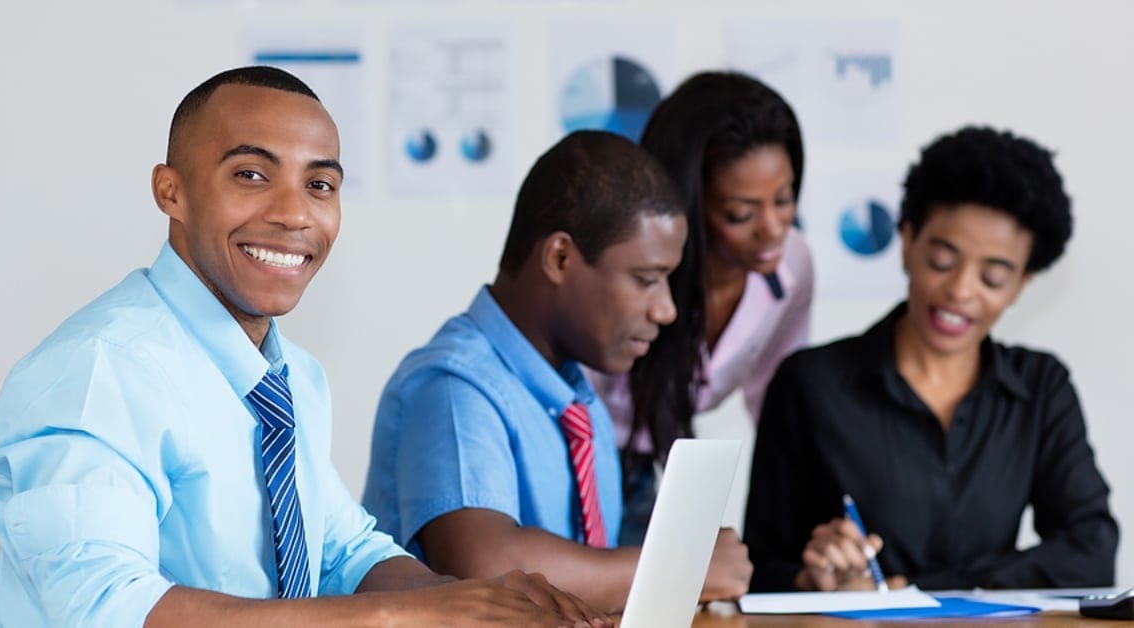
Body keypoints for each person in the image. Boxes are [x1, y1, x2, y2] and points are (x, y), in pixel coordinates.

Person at [0, 66, 610, 628]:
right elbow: (107, 607)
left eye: (320, 185)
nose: (294, 214)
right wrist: (405, 613)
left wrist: (482, 605)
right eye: (251, 175)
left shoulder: (291, 378)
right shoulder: (97, 369)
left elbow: (344, 550)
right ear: (170, 191)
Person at [361, 130, 754, 613]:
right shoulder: (453, 387)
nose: (666, 309)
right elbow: (486, 567)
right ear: (560, 257)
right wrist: (681, 565)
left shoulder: (579, 400)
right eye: (646, 280)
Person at [743, 126, 1119, 592]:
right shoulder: (811, 384)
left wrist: (928, 591)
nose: (961, 290)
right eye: (942, 260)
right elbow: (757, 568)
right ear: (907, 243)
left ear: (1023, 283)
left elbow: (1091, 551)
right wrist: (813, 576)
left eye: (994, 277)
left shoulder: (1041, 387)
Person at [587, 71, 814, 545]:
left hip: (669, 472)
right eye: (740, 213)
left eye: (784, 199)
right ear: (688, 202)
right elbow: (572, 396)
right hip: (591, 462)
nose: (772, 228)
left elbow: (775, 395)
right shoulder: (634, 267)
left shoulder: (792, 264)